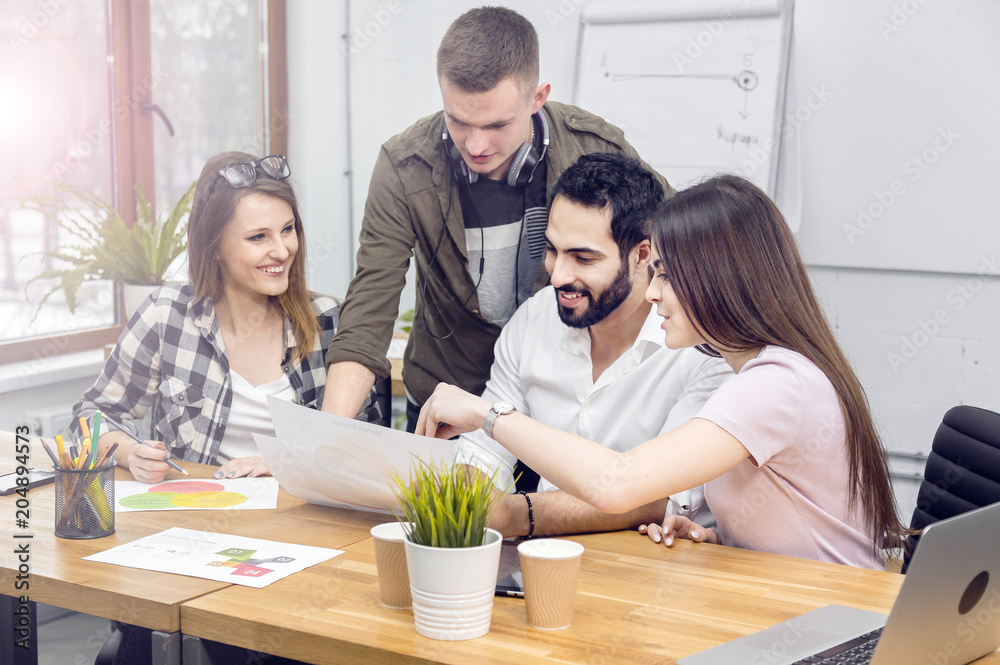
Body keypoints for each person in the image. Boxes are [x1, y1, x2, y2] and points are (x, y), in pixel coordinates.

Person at [417, 174, 905, 570]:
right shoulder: (753, 369)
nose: (652, 293)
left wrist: (487, 414)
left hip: (836, 621)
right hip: (788, 604)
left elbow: (618, 483)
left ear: (720, 280)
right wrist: (721, 535)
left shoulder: (776, 384)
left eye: (668, 276)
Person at [321, 7, 670, 431]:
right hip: (447, 400)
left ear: (537, 98)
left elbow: (686, 238)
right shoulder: (405, 165)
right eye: (458, 122)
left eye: (497, 124)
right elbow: (369, 308)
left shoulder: (590, 145)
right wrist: (323, 439)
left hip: (556, 402)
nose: (476, 145)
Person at [457, 153, 730, 538]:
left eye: (583, 258)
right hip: (540, 565)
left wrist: (513, 514)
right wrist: (468, 499)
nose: (557, 276)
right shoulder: (536, 319)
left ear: (642, 254)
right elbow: (483, 452)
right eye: (552, 250)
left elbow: (667, 494)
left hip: (657, 575)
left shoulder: (700, 345)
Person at [72, 151, 381, 484]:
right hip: (199, 518)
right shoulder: (167, 316)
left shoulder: (330, 321)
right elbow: (90, 416)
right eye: (258, 237)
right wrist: (130, 453)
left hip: (300, 519)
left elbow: (369, 446)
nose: (281, 250)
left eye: (287, 229)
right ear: (214, 245)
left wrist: (285, 462)